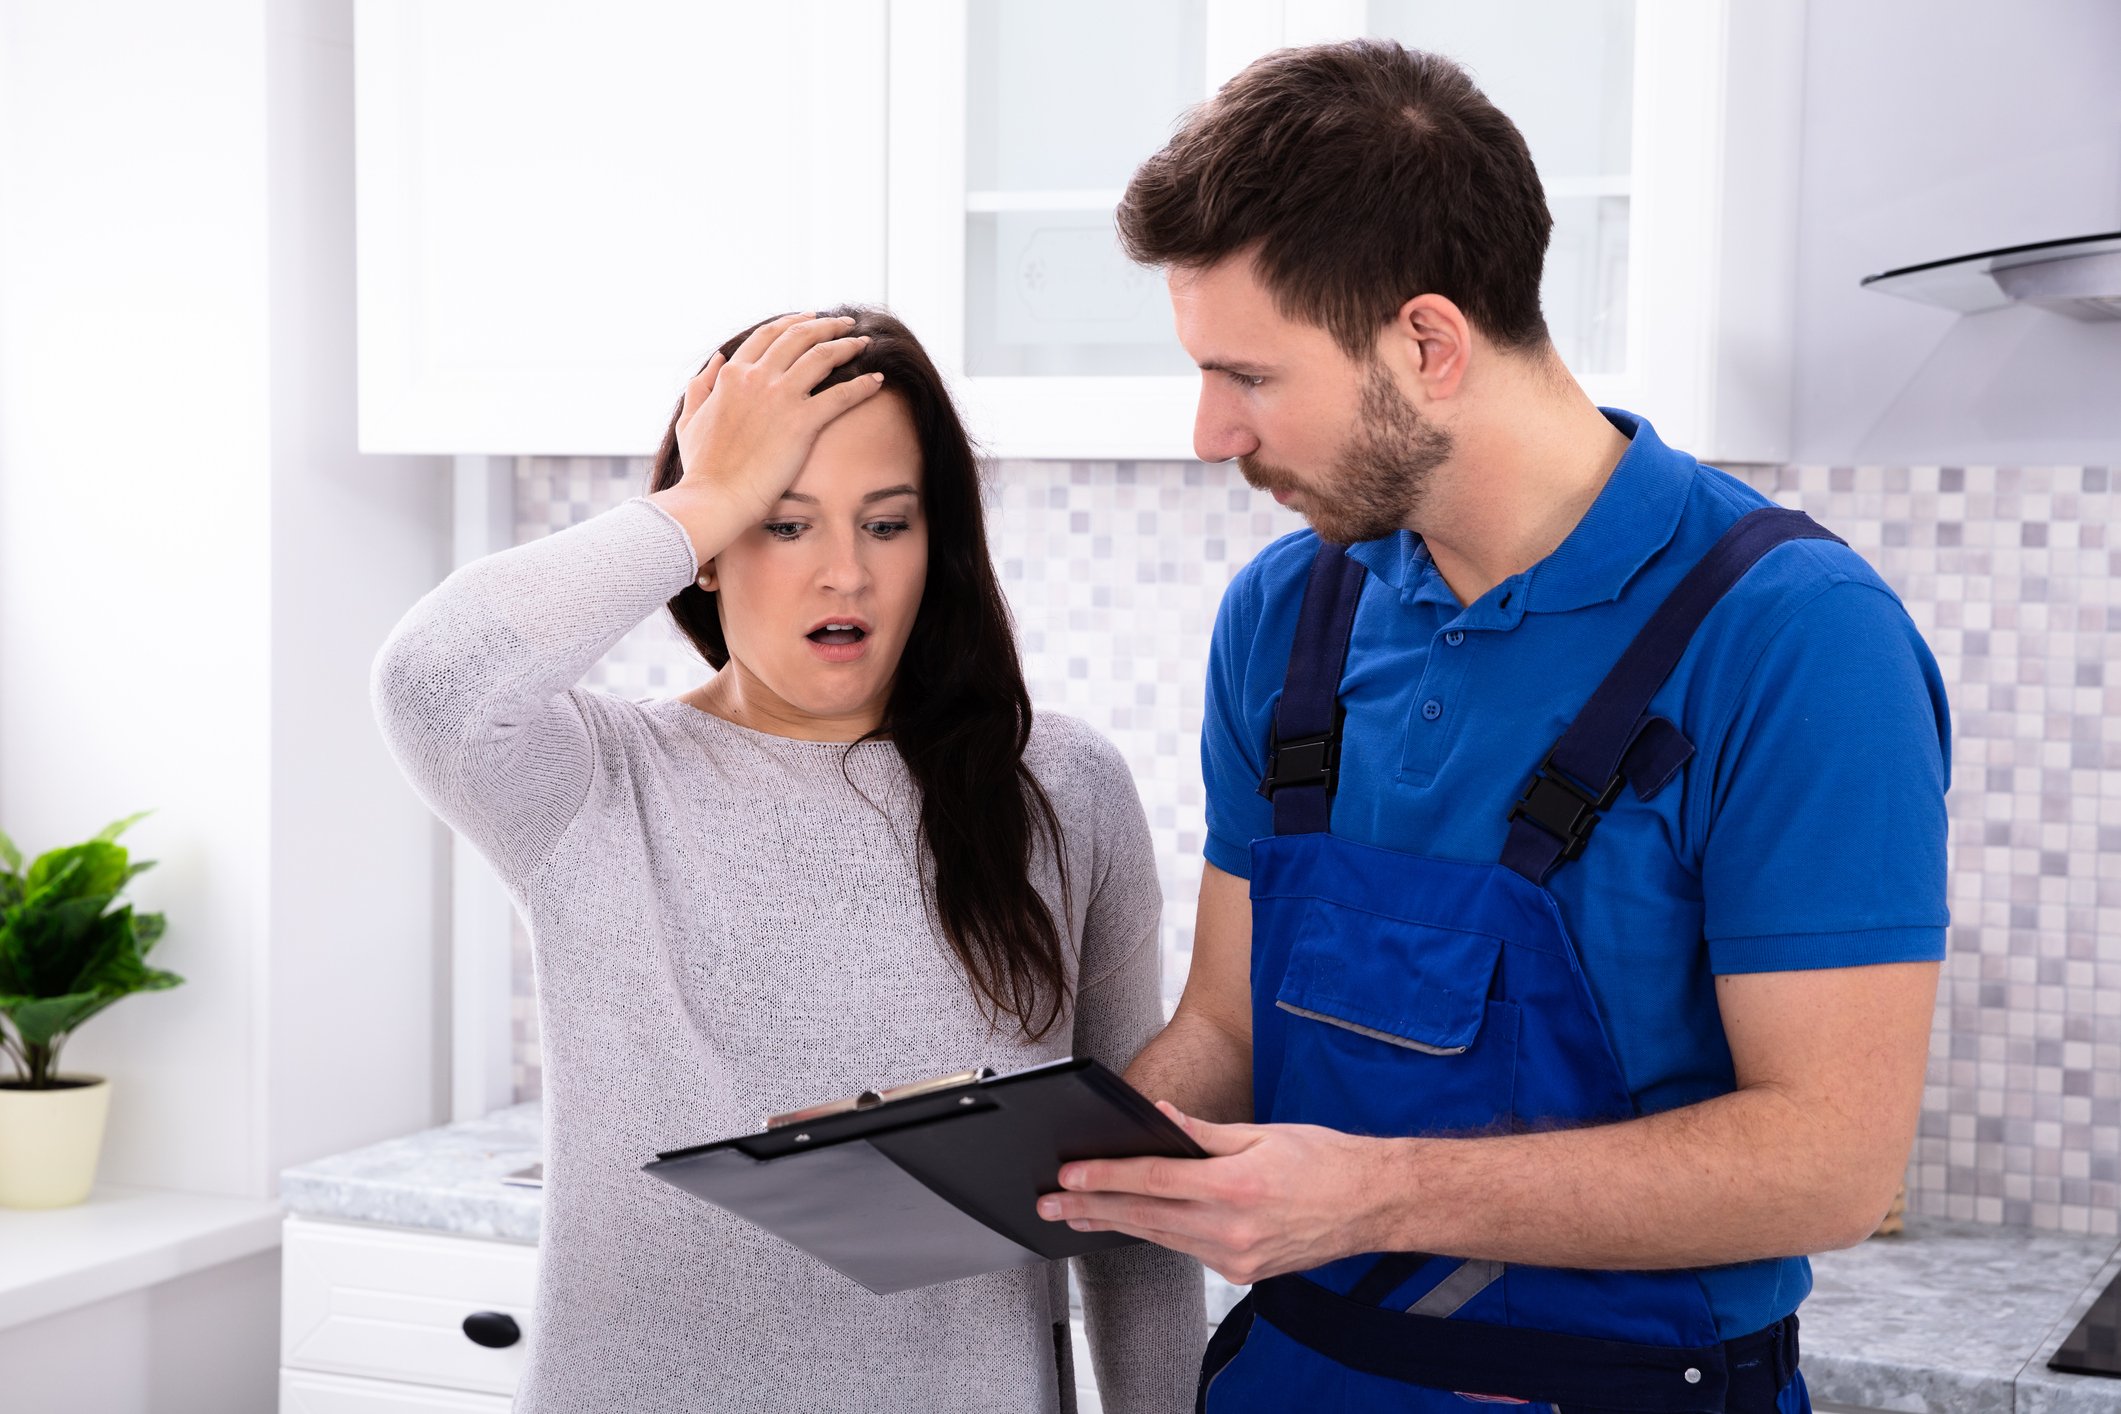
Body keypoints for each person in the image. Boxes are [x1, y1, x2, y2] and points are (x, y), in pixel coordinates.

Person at [1034, 40, 1949, 1414]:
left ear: (1427, 344)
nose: (1209, 432)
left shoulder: (1796, 637)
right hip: (1296, 1378)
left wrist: (1367, 1196)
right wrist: (1024, 1144)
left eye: (1250, 377)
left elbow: (1830, 1162)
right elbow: (1224, 1026)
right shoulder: (1286, 613)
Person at [374, 307, 1204, 1413]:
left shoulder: (1058, 785)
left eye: (888, 522)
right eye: (784, 523)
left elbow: (1131, 1201)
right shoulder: (595, 783)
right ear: (708, 556)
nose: (845, 575)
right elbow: (433, 680)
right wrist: (707, 497)